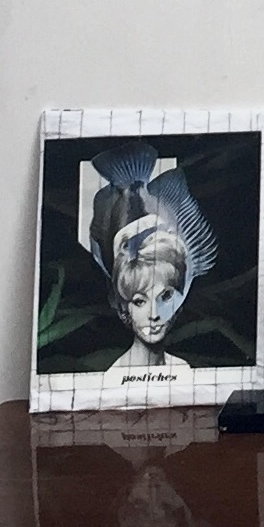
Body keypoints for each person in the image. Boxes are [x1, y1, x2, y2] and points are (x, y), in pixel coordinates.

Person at [86, 145, 218, 379]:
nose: (154, 314)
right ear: (122, 305)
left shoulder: (183, 370)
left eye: (165, 296)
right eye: (139, 301)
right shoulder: (114, 376)